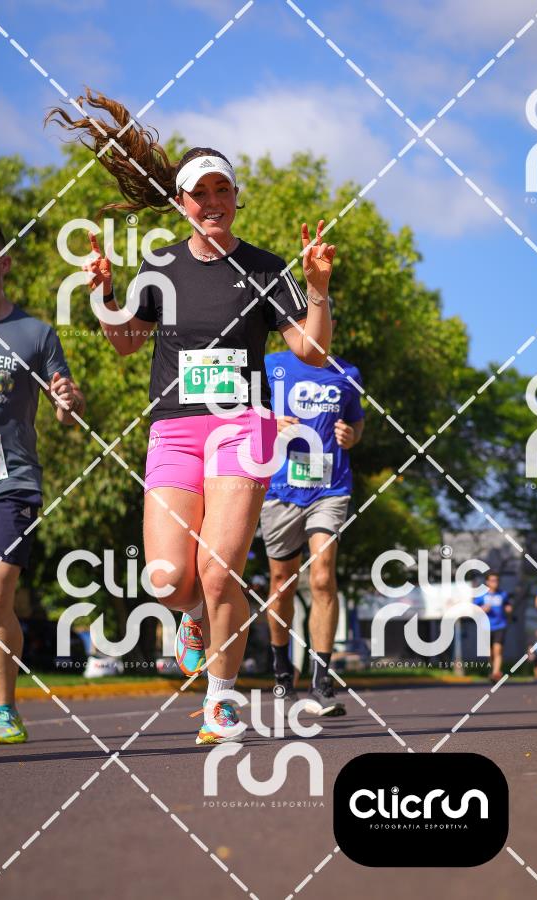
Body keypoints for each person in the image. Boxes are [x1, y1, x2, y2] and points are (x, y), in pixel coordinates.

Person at [48, 89, 335, 744]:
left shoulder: (266, 268)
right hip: (175, 429)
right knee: (171, 580)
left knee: (219, 569)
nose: (212, 202)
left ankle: (221, 700)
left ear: (236, 197)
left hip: (243, 427)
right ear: (181, 202)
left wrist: (317, 289)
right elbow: (126, 342)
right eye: (199, 193)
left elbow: (312, 352)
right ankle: (192, 615)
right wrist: (103, 294)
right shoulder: (162, 265)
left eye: (221, 190)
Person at [0, 220, 85, 745]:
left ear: (4, 264)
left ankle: (5, 709)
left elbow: (67, 408)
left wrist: (69, 401)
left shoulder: (35, 334)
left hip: (10, 480)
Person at [261, 307, 364, 714]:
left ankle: (322, 681)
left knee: (322, 576)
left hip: (330, 488)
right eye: (303, 322)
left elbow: (356, 424)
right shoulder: (271, 365)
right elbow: (241, 415)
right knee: (281, 583)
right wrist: (270, 423)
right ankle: (282, 671)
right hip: (280, 488)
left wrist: (351, 435)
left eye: (322, 320)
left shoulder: (347, 373)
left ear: (332, 325)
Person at [473, 571, 512, 683]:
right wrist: (482, 609)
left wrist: (508, 609)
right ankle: (494, 669)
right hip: (485, 627)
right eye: (493, 580)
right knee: (490, 653)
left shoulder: (502, 594)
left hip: (500, 625)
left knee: (498, 650)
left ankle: (496, 673)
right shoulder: (482, 595)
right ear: (487, 582)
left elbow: (508, 605)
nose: (495, 583)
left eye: (497, 580)